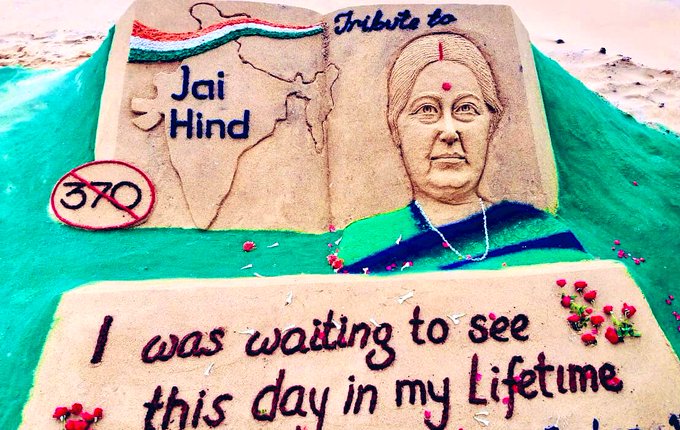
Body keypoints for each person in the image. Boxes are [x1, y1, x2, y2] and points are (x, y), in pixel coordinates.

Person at [337, 33, 588, 273]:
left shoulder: (545, 236)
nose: (449, 132)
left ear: (491, 124)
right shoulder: (364, 243)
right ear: (395, 128)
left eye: (466, 109)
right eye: (426, 110)